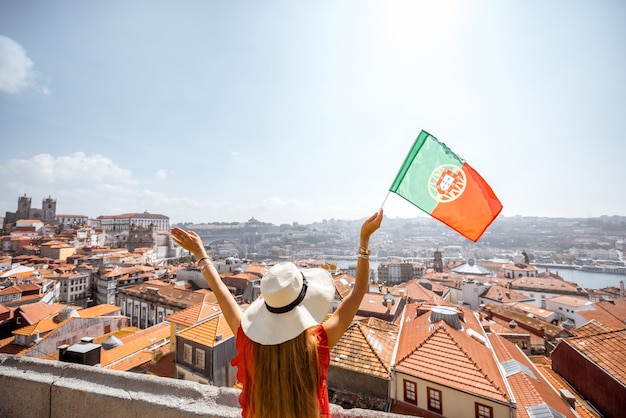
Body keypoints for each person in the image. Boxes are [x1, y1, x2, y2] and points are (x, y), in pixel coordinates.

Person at [170, 209, 383, 418]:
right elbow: (357, 293)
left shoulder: (248, 342)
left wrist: (201, 255)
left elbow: (221, 292)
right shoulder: (316, 346)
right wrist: (364, 241)